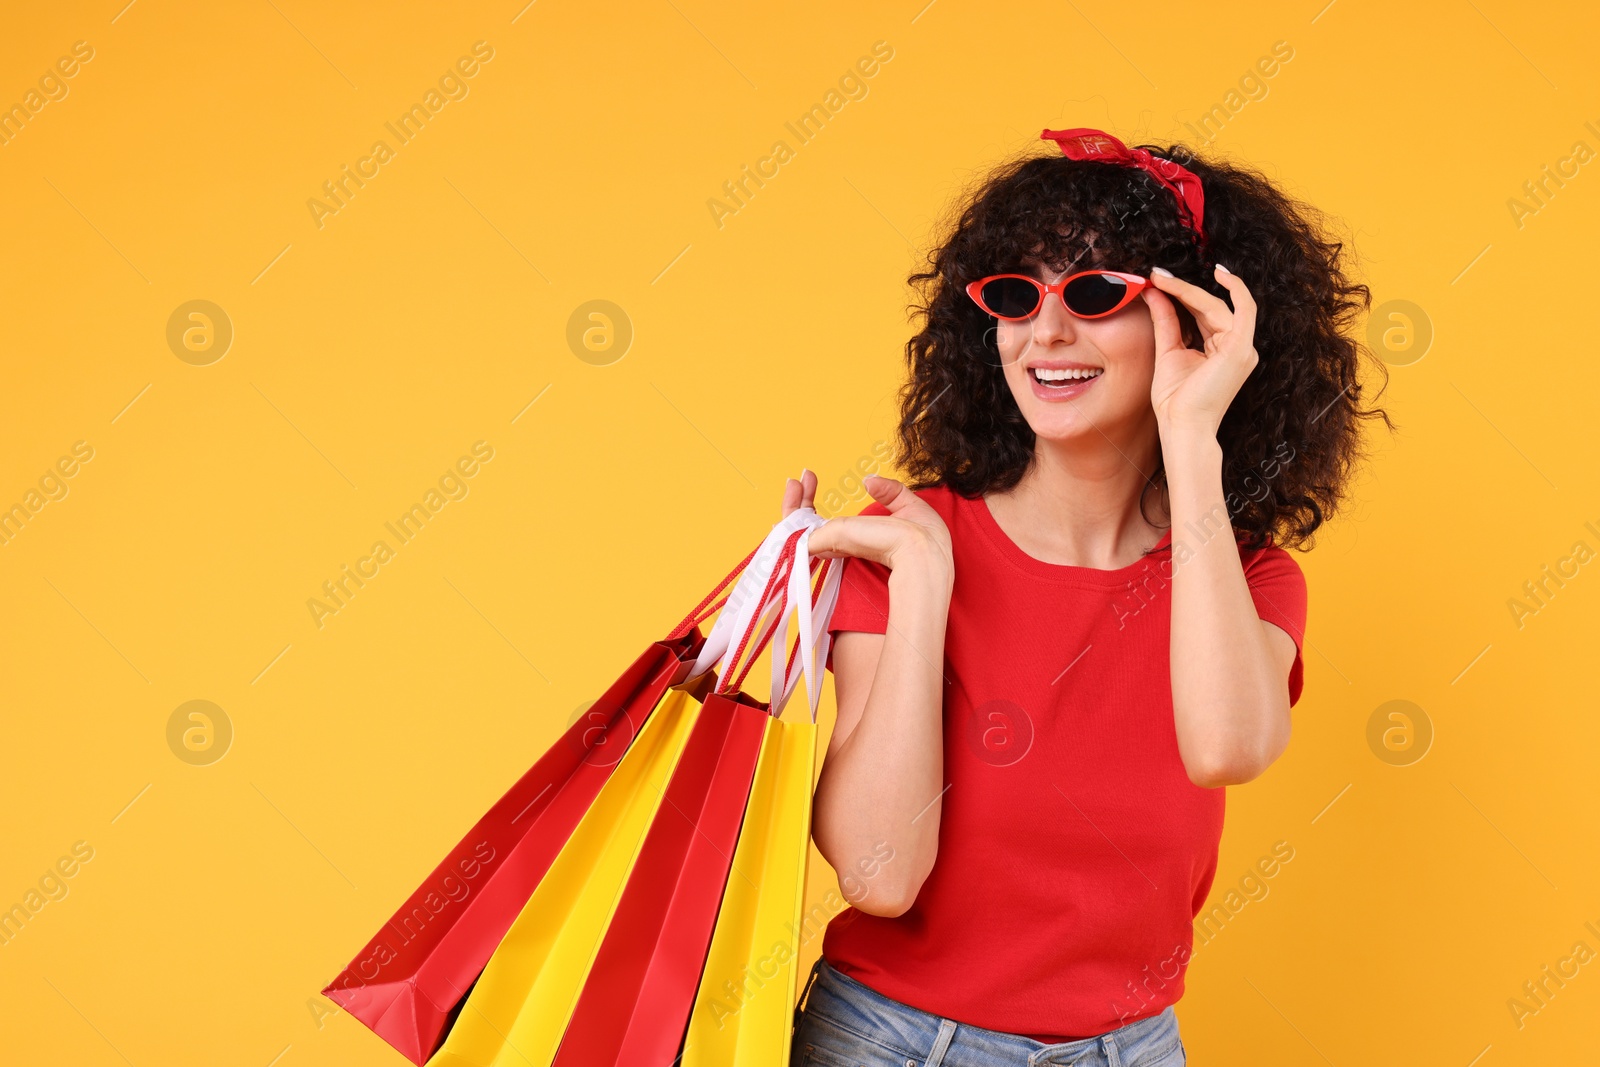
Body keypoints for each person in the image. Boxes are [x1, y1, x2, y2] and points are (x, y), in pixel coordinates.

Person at [781, 127, 1393, 1067]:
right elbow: (879, 875)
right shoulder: (908, 544)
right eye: (1018, 295)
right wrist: (927, 590)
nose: (1047, 333)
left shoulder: (1251, 579)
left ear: (1192, 321)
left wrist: (1191, 436)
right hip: (892, 1042)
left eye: (1098, 293)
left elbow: (1230, 747)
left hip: (1132, 1050)